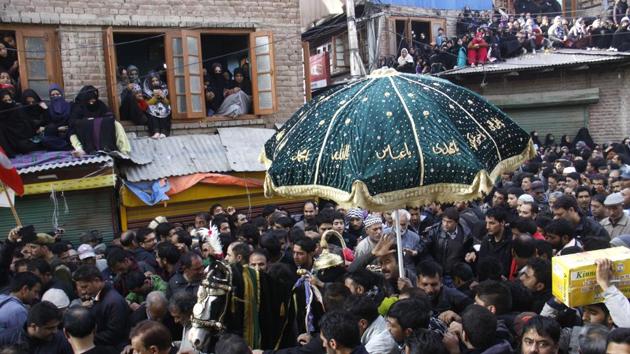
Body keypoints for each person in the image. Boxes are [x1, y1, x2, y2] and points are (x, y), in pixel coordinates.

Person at [72, 264, 130, 349]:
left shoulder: (113, 301)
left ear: (96, 280)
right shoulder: (100, 297)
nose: (83, 292)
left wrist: (86, 338)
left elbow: (114, 334)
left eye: (85, 287)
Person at [0, 301, 73, 353]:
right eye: (50, 328)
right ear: (34, 326)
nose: (55, 331)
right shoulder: (6, 339)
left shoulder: (61, 341)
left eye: (57, 326)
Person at [423, 207, 473, 276]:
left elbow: (471, 246)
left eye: (449, 222)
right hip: (439, 273)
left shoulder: (465, 233)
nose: (445, 224)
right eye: (444, 221)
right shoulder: (434, 231)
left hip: (456, 274)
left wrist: (471, 253)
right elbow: (425, 248)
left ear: (456, 222)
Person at [472, 207, 513, 278]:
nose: (487, 227)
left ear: (502, 223)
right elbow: (481, 265)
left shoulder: (511, 242)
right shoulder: (486, 240)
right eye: (487, 223)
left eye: (492, 223)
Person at [143, 72, 171, 138]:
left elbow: (167, 102)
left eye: (156, 80)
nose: (155, 82)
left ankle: (164, 132)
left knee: (165, 110)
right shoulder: (146, 90)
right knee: (152, 113)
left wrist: (163, 97)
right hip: (152, 108)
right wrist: (155, 98)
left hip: (163, 107)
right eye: (153, 81)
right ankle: (156, 132)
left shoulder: (164, 88)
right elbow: (146, 104)